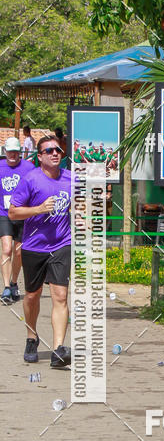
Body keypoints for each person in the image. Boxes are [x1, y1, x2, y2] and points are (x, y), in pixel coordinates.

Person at [8, 133, 72, 367]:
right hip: (34, 246)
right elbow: (14, 212)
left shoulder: (70, 178)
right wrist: (39, 209)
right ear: (40, 156)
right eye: (49, 151)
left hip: (62, 244)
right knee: (32, 295)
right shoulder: (31, 179)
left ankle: (57, 350)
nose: (55, 153)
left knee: (61, 296)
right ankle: (31, 336)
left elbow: (84, 202)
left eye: (58, 150)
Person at [0, 136, 35, 303]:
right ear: (5, 151)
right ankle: (6, 287)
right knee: (6, 249)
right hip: (4, 214)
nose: (12, 154)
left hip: (22, 214)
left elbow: (36, 187)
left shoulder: (28, 168)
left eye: (15, 151)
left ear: (19, 152)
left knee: (19, 252)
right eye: (10, 151)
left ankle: (14, 282)